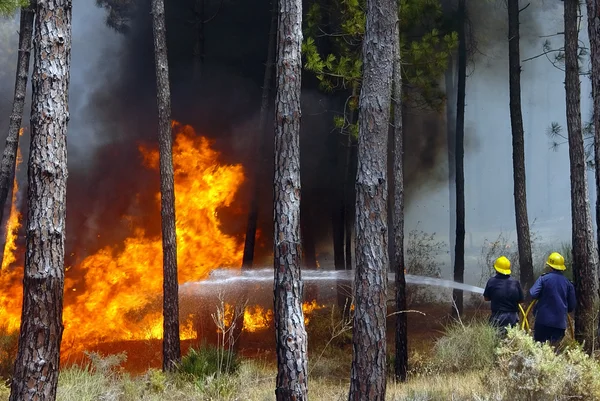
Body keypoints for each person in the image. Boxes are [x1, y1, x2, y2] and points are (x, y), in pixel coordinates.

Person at [530, 252, 576, 346]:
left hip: (542, 322)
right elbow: (571, 306)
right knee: (555, 350)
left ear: (550, 267)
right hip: (559, 325)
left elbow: (532, 293)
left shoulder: (543, 279)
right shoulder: (568, 284)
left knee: (539, 349)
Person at [483, 256, 524, 334]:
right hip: (513, 317)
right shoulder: (515, 282)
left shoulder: (491, 281)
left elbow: (486, 298)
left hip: (498, 316)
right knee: (512, 339)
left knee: (497, 340)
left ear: (496, 269)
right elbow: (521, 300)